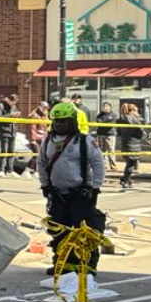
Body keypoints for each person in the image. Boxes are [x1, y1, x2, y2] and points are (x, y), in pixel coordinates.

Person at [39, 100, 107, 278]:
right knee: (60, 232)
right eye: (57, 121)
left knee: (84, 233)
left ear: (73, 121)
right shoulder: (48, 141)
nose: (60, 125)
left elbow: (98, 164)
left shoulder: (85, 141)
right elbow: (42, 163)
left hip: (80, 193)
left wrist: (95, 188)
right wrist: (45, 185)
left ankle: (88, 266)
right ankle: (62, 264)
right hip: (57, 194)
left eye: (64, 121)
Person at [115, 102, 147, 190]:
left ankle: (127, 179)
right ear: (131, 111)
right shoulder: (135, 119)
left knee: (129, 163)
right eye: (136, 110)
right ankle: (125, 180)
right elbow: (141, 132)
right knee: (131, 164)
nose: (138, 112)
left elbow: (119, 133)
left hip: (124, 143)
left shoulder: (120, 119)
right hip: (134, 143)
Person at [0, 93, 20, 173]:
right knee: (4, 151)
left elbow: (13, 117)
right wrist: (10, 115)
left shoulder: (14, 107)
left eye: (15, 103)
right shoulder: (0, 105)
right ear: (9, 100)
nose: (13, 105)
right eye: (13, 102)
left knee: (11, 151)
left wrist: (17, 115)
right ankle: (1, 169)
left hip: (13, 131)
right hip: (4, 131)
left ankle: (10, 170)